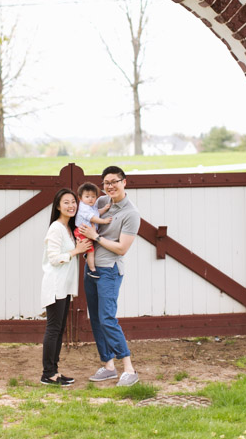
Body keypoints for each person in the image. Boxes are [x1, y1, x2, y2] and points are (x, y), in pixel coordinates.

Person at [79, 166, 140, 387]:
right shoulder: (101, 202)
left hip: (109, 271)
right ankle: (108, 366)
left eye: (115, 181)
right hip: (91, 269)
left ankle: (129, 368)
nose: (110, 186)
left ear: (125, 182)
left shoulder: (131, 214)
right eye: (106, 182)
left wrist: (95, 236)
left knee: (107, 318)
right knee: (95, 318)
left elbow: (122, 249)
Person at [41, 188, 91, 386]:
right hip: (54, 286)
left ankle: (54, 371)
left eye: (73, 202)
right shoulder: (55, 228)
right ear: (57, 206)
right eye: (66, 202)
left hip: (63, 287)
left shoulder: (68, 228)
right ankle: (48, 374)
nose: (71, 206)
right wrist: (75, 251)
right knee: (53, 329)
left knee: (59, 329)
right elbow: (53, 258)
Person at [74, 181, 112, 279]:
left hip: (88, 232)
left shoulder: (91, 206)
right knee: (91, 251)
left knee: (91, 250)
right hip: (83, 232)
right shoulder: (83, 208)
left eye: (93, 196)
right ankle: (92, 270)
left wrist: (104, 209)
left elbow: (96, 213)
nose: (90, 199)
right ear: (80, 198)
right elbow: (93, 218)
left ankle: (87, 256)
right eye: (87, 196)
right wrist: (104, 221)